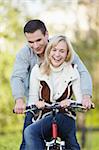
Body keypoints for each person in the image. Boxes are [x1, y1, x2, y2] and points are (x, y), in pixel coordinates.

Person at [10, 19, 92, 150]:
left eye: (38, 40)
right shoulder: (25, 54)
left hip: (62, 107)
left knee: (72, 143)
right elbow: (17, 77)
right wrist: (19, 100)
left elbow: (81, 72)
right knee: (27, 142)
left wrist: (86, 96)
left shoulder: (59, 47)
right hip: (36, 105)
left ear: (46, 35)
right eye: (30, 42)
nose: (35, 46)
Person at [24, 35, 83, 150]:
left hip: (65, 117)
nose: (57, 54)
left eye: (62, 51)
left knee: (72, 143)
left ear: (67, 54)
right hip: (44, 116)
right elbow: (32, 98)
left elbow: (80, 102)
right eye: (54, 50)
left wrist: (70, 102)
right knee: (30, 132)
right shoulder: (37, 70)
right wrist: (37, 103)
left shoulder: (72, 70)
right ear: (49, 51)